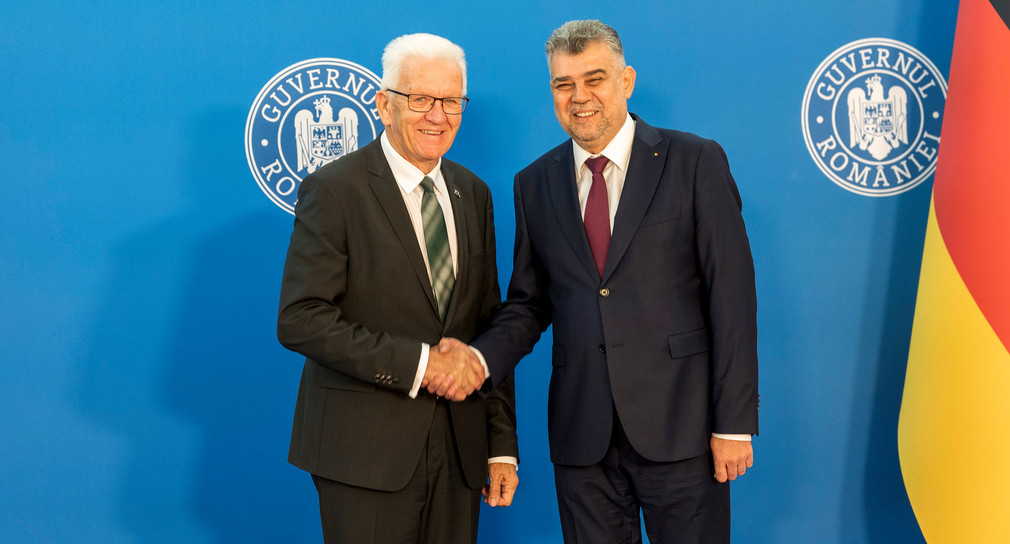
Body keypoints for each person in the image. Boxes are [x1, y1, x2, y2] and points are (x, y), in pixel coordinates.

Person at [435, 19, 758, 544]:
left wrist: (734, 422)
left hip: (685, 431)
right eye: (564, 84)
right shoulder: (534, 183)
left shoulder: (695, 161)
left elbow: (733, 299)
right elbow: (527, 304)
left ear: (626, 81)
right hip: (583, 439)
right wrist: (478, 359)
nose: (579, 97)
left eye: (595, 79)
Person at [277, 33, 519, 544]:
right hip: (365, 455)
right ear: (384, 104)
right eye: (422, 99)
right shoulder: (335, 189)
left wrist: (501, 445)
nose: (439, 115)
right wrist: (422, 364)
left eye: (452, 101)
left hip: (460, 451)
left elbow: (488, 324)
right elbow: (302, 318)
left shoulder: (473, 193)